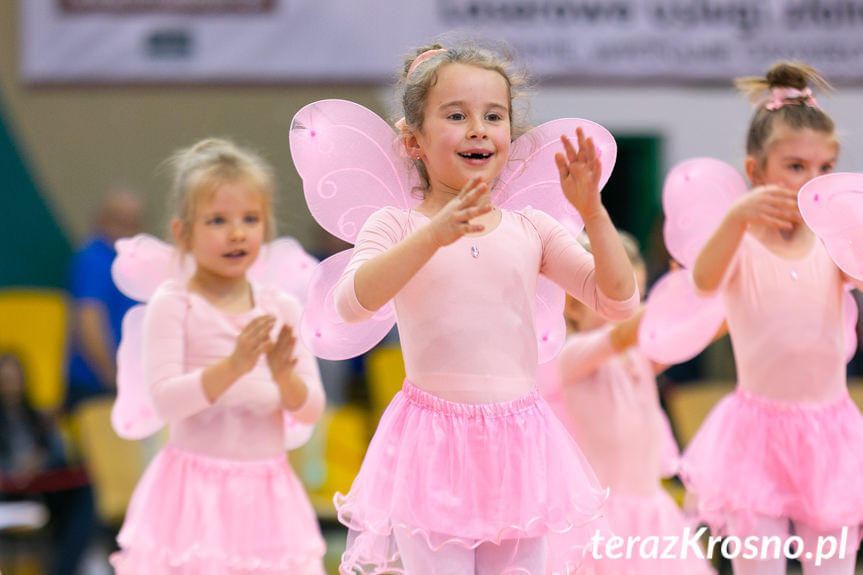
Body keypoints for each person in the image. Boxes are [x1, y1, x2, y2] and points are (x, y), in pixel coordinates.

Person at [327, 41, 639, 574]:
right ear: (413, 140)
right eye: (456, 115)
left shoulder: (531, 228)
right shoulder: (397, 225)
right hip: (431, 443)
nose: (478, 128)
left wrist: (592, 212)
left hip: (519, 441)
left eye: (493, 116)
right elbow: (352, 304)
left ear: (510, 138)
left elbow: (617, 300)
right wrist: (434, 235)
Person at [109, 139, 327, 574]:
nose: (237, 232)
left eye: (250, 219)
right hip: (194, 494)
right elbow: (167, 400)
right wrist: (234, 366)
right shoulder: (174, 304)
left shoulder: (280, 306)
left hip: (268, 495)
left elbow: (311, 409)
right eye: (217, 220)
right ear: (182, 233)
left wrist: (285, 378)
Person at [683, 61, 863, 574]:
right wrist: (737, 217)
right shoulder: (739, 241)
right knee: (757, 565)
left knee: (832, 566)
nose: (812, 182)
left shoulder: (835, 243)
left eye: (825, 168)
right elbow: (702, 280)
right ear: (755, 172)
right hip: (755, 437)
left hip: (830, 435)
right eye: (795, 167)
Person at [538, 233, 715, 575]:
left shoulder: (639, 355)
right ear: (573, 304)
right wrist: (675, 295)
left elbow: (700, 330)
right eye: (619, 298)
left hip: (653, 517)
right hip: (603, 522)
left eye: (638, 297)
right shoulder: (570, 356)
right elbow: (620, 335)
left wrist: (710, 292)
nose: (630, 311)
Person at [0, 352, 93, 575]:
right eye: (5, 379)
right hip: (7, 489)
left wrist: (40, 460)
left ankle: (63, 569)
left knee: (83, 492)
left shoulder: (37, 417)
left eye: (14, 378)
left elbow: (58, 456)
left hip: (41, 486)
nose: (10, 384)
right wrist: (13, 468)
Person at [66, 188, 143, 411]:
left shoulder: (133, 261)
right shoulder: (94, 259)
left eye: (132, 222)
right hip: (97, 386)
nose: (124, 228)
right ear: (100, 220)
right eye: (117, 220)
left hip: (130, 384)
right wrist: (112, 379)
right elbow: (89, 322)